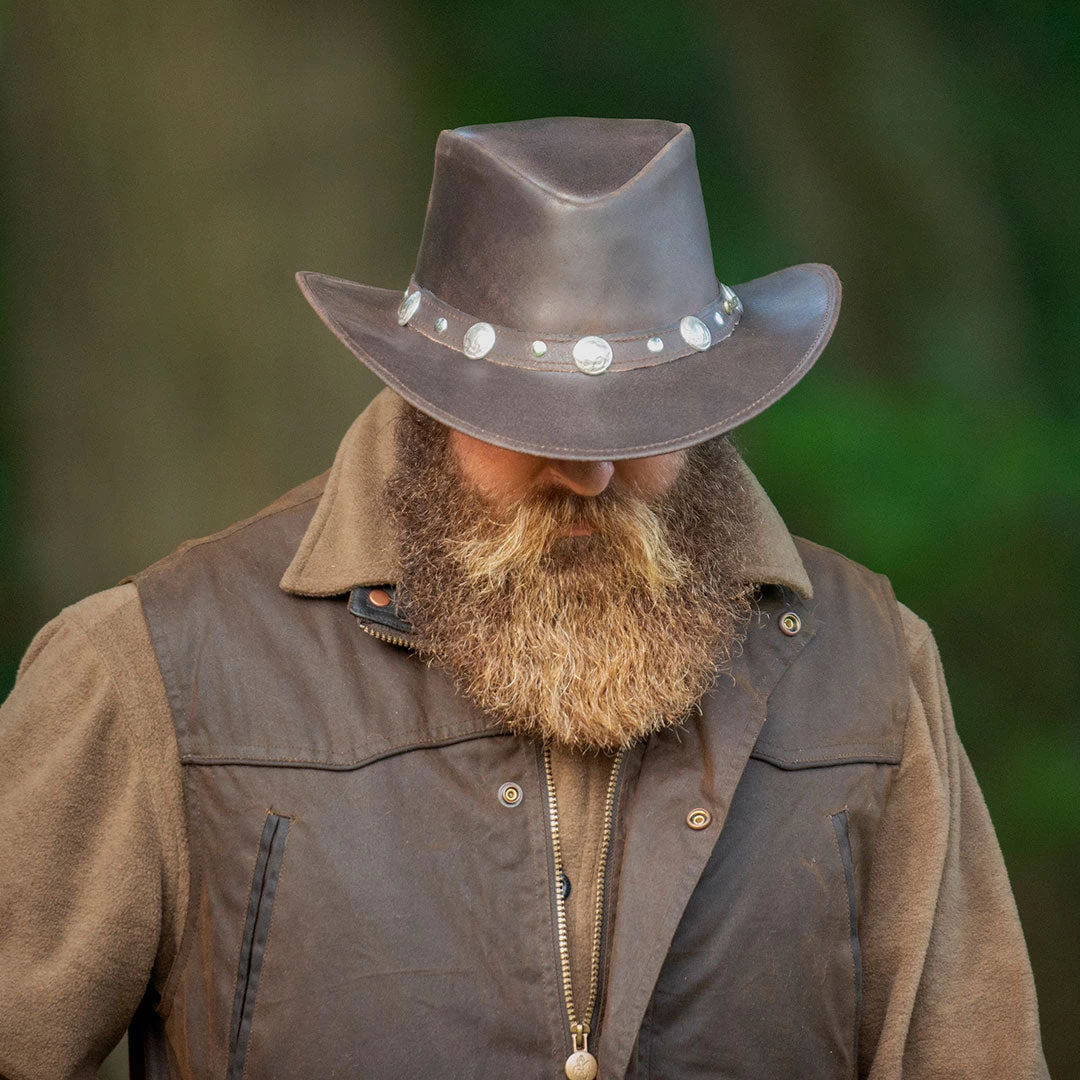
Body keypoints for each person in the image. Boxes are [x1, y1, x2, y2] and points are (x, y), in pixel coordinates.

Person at [0, 117, 1048, 1080]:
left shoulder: (872, 662)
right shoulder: (152, 663)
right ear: (424, 390)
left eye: (638, 426)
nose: (587, 474)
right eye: (528, 423)